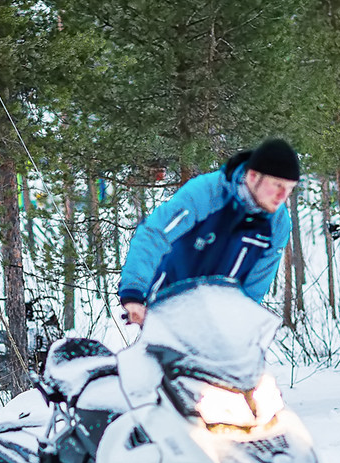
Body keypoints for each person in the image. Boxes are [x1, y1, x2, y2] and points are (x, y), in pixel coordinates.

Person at [118, 137, 300, 326]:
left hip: (216, 323)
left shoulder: (278, 224)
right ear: (253, 176)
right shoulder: (206, 193)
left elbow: (257, 282)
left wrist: (244, 320)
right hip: (168, 307)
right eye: (277, 185)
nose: (282, 196)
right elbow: (154, 235)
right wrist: (134, 292)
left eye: (289, 189)